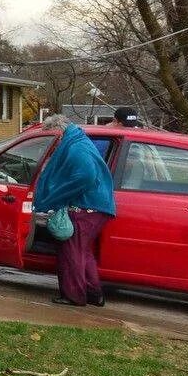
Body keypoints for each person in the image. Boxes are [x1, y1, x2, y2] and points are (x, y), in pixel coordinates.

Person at [32, 122, 118, 306]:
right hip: (98, 207)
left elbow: (85, 176)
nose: (53, 145)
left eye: (53, 140)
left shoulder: (75, 148)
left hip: (86, 206)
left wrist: (59, 195)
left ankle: (74, 296)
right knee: (83, 251)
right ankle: (94, 294)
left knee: (71, 251)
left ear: (59, 133)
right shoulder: (80, 142)